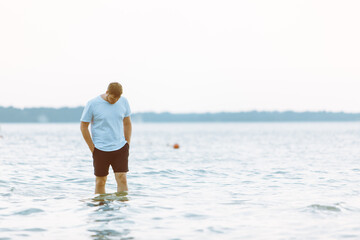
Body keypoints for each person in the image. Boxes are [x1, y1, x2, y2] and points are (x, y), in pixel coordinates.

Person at [80, 82, 132, 194]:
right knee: (100, 181)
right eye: (113, 98)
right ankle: (100, 207)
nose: (115, 101)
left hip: (120, 147)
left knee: (122, 178)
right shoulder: (93, 104)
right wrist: (92, 148)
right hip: (100, 149)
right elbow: (83, 126)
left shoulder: (124, 102)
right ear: (107, 92)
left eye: (117, 99)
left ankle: (123, 208)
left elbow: (127, 123)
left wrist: (127, 143)